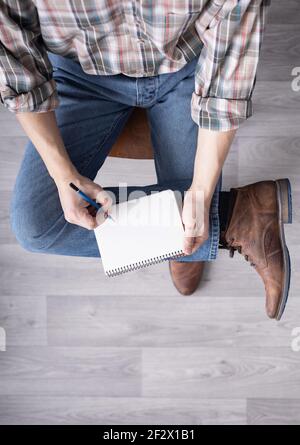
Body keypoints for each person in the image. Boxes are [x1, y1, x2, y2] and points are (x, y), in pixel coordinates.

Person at [0, 0, 292, 320]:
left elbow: (228, 68)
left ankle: (198, 238)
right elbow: (15, 59)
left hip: (187, 62)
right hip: (79, 71)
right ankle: (236, 216)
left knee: (192, 231)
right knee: (35, 225)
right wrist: (61, 174)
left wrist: (201, 191)